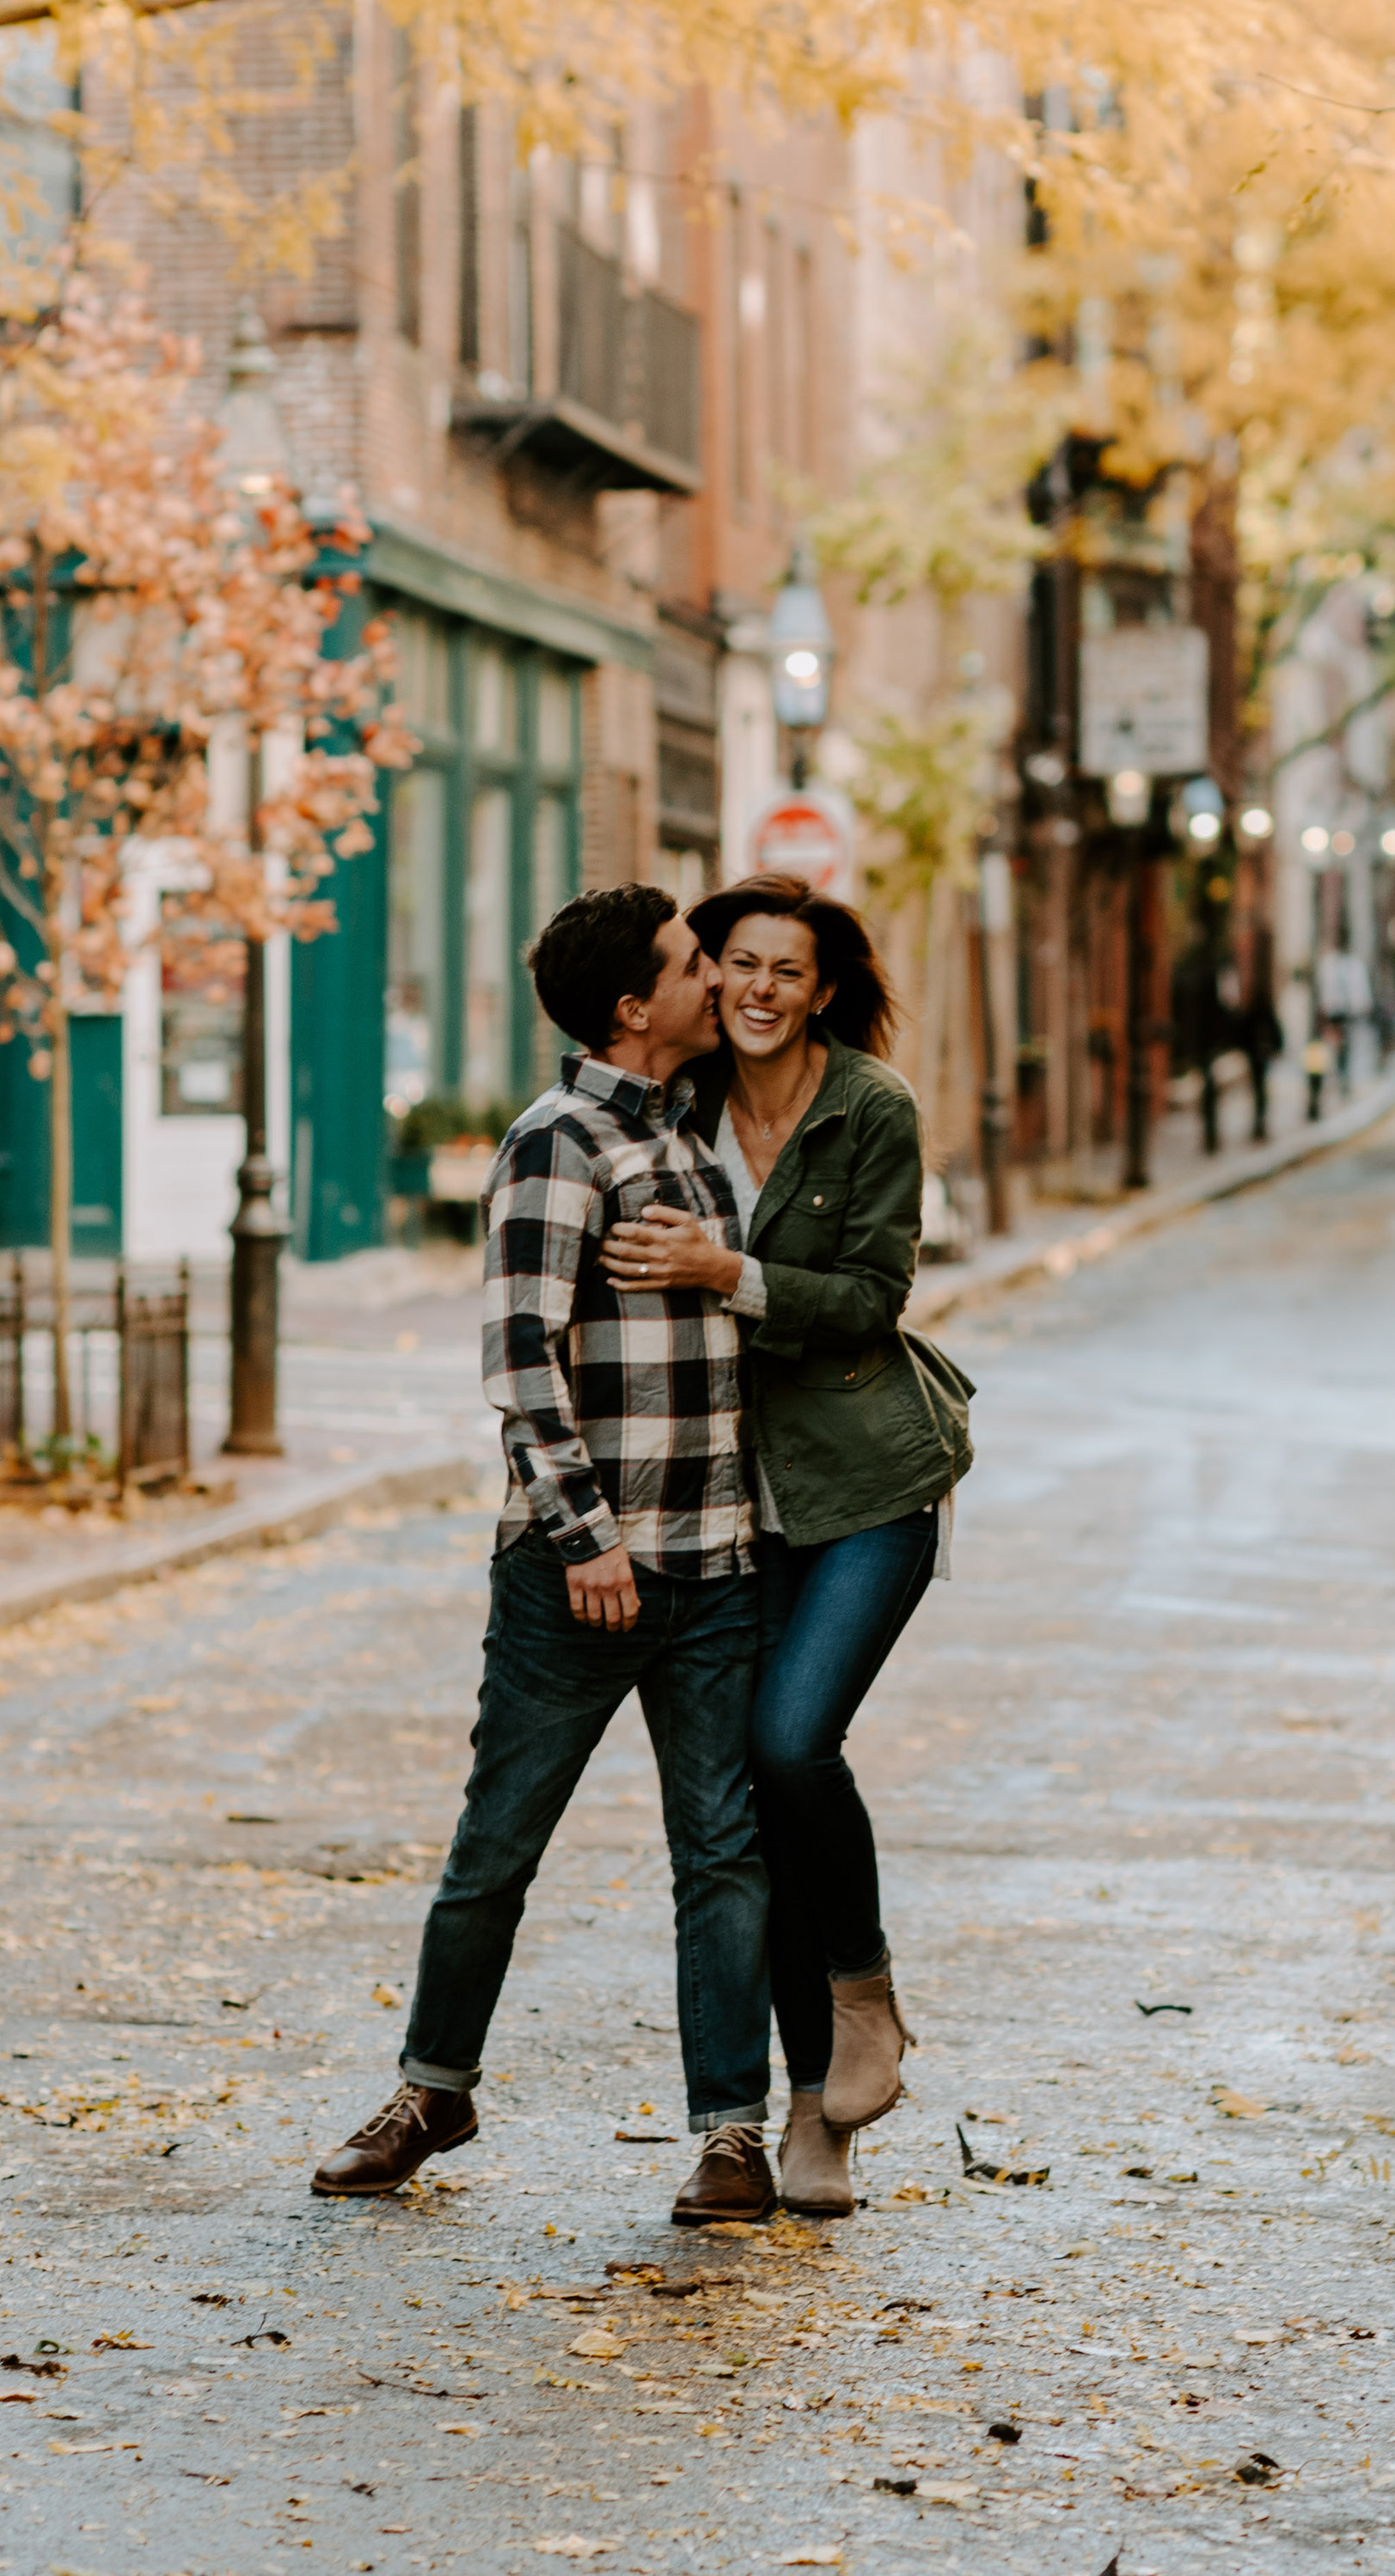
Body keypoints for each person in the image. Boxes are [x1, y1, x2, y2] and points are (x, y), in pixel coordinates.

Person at [312, 884, 780, 2224]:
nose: (714, 980)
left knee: (723, 1852)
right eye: (695, 964)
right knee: (498, 1844)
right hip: (580, 1570)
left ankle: (731, 2134)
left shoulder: (696, 1139)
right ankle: (431, 2087)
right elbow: (520, 1363)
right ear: (635, 1007)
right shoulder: (554, 1140)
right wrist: (586, 1535)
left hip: (712, 1565)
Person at [600, 876, 971, 2219]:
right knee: (749, 1813)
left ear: (823, 989)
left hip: (872, 1479)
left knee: (790, 1741)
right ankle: (815, 2112)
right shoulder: (679, 1105)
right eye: (737, 962)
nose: (758, 987)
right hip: (727, 1500)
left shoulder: (869, 1105)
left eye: (787, 969)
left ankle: (862, 1986)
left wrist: (730, 1276)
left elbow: (872, 1297)